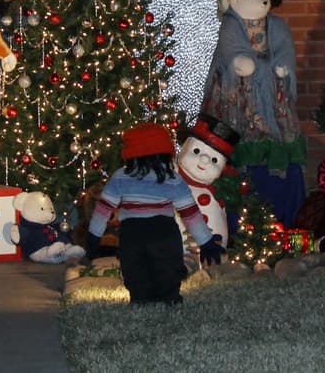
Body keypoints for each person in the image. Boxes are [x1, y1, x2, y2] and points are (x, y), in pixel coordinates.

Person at [88, 123, 224, 305]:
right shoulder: (172, 178)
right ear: (165, 152)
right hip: (163, 232)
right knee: (168, 267)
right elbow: (190, 213)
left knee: (134, 269)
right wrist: (206, 242)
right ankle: (170, 297)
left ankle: (140, 298)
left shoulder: (121, 176)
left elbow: (103, 210)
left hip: (131, 234)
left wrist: (94, 236)